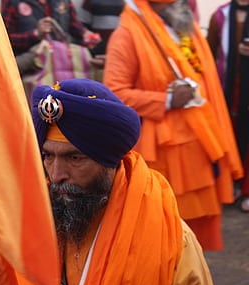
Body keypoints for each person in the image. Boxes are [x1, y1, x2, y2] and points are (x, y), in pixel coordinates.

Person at [4, 78, 216, 285]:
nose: (56, 174)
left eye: (75, 158)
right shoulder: (28, 225)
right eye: (48, 156)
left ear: (110, 161)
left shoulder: (172, 241)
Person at [104, 0, 243, 251]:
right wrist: (166, 99)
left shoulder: (181, 30)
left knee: (193, 244)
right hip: (163, 158)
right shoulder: (127, 34)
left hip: (198, 150)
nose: (184, 3)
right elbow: (115, 93)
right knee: (164, 236)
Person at [207, 0, 249, 212]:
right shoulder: (220, 16)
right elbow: (208, 53)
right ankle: (228, 185)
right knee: (226, 137)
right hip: (227, 90)